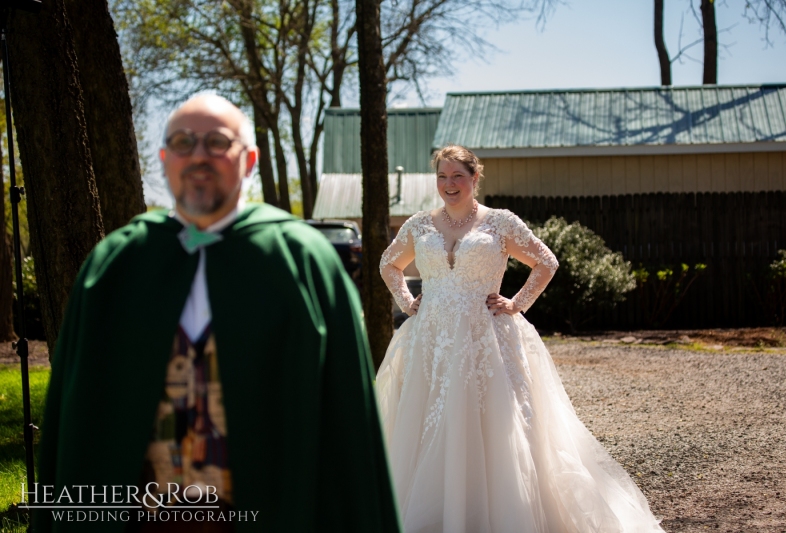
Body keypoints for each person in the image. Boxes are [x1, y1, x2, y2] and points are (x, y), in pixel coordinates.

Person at [34, 95, 401, 533]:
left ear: (248, 160)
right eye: (184, 143)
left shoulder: (302, 261)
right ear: (165, 158)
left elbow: (345, 418)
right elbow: (77, 416)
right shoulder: (118, 265)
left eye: (216, 142)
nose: (199, 156)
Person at [376, 144, 664, 533]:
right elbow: (388, 263)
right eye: (442, 176)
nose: (449, 184)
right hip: (431, 340)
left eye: (458, 176)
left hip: (485, 339)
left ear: (475, 178)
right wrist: (408, 301)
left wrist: (517, 303)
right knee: (426, 421)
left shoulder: (500, 222)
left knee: (494, 425)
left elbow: (546, 262)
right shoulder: (418, 225)